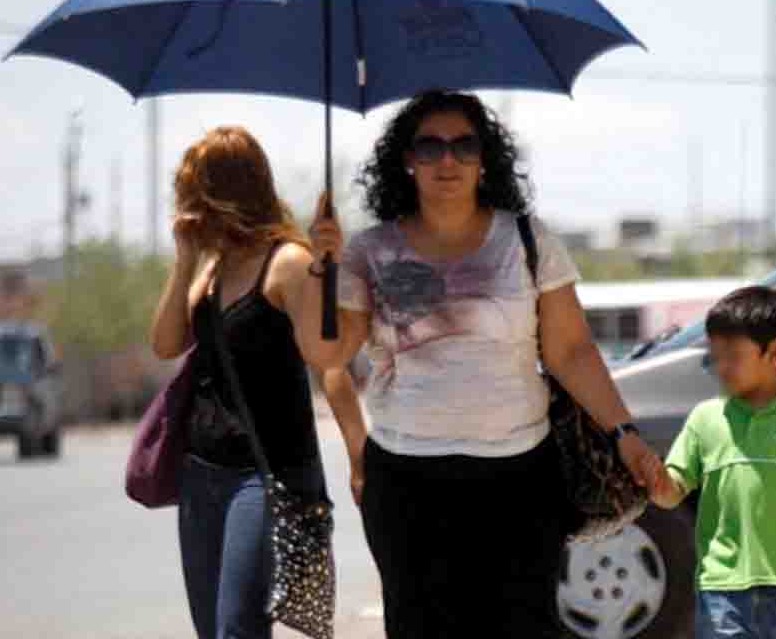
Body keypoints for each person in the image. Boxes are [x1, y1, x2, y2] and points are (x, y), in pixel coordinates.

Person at [324, 90, 665, 638]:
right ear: (406, 160)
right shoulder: (368, 251)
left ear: (485, 159)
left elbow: (571, 351)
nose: (447, 160)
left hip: (519, 478)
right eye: (429, 146)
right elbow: (332, 355)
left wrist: (624, 433)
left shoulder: (529, 240)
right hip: (408, 481)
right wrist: (322, 271)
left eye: (464, 145)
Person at [148, 125, 345, 639]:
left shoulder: (289, 264)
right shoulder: (210, 266)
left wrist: (360, 456)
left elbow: (328, 361)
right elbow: (166, 344)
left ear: (224, 193)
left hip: (263, 476)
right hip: (201, 472)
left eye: (194, 194)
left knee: (238, 628)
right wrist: (185, 258)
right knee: (211, 630)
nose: (186, 208)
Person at [652, 286, 776, 639]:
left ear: (774, 352)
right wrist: (649, 479)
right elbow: (671, 492)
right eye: (716, 356)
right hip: (720, 592)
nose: (721, 367)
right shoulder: (705, 420)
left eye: (733, 355)